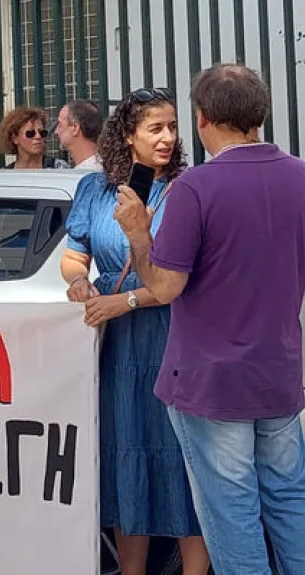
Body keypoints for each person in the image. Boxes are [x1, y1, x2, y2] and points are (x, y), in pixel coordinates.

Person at [115, 64, 305, 574]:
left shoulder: (196, 187)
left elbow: (163, 286)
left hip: (211, 379)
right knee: (290, 500)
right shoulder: (299, 176)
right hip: (280, 370)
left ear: (201, 118)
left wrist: (138, 232)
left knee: (231, 510)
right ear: (260, 114)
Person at [61, 87, 210, 574]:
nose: (168, 138)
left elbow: (184, 279)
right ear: (128, 135)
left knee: (184, 462)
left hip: (174, 338)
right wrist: (78, 280)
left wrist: (123, 301)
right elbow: (73, 255)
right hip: (117, 350)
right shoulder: (95, 189)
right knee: (127, 457)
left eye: (173, 127)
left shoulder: (189, 189)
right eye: (155, 128)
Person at [0, 106, 69, 169]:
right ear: (15, 138)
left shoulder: (59, 168)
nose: (38, 136)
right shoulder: (4, 176)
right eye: (30, 133)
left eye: (42, 132)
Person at [55, 100, 104, 170]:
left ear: (75, 128)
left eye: (60, 125)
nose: (56, 131)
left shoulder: (87, 172)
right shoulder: (105, 167)